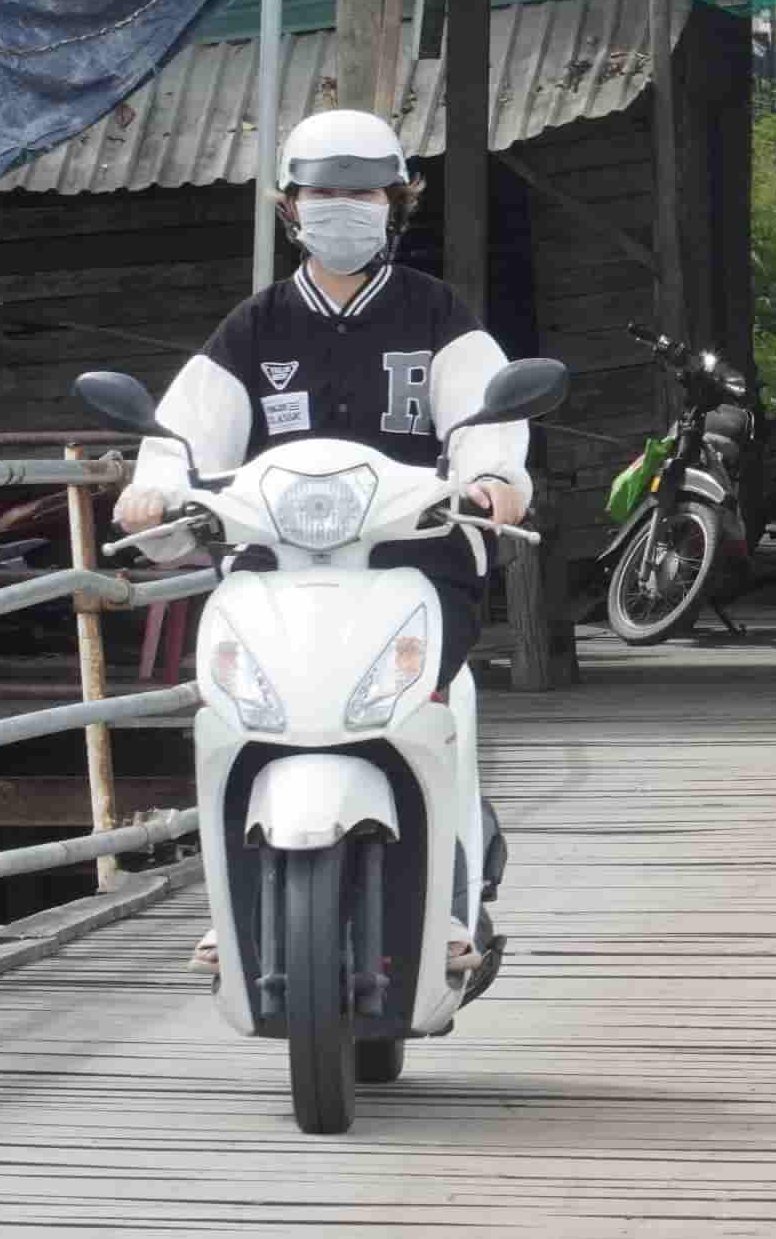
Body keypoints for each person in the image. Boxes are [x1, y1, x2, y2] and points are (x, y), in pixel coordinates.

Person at [112, 109, 530, 979]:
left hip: (414, 571)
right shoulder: (253, 329)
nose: (341, 207)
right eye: (321, 192)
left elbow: (488, 420)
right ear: (290, 207)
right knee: (226, 707)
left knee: (436, 701)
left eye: (361, 192)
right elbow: (187, 434)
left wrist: (493, 480)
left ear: (395, 204)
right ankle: (228, 906)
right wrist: (152, 491)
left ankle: (452, 902)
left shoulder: (439, 319)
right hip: (276, 577)